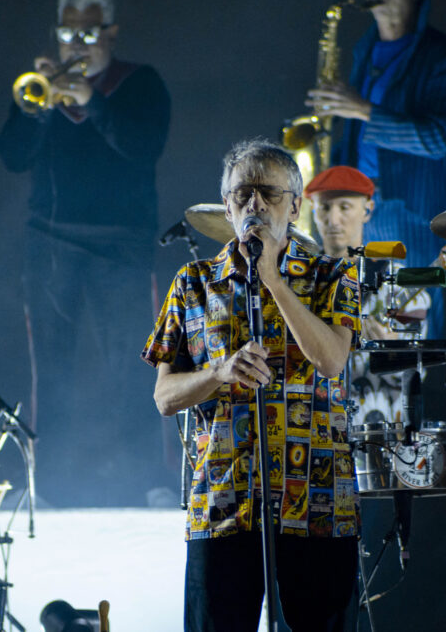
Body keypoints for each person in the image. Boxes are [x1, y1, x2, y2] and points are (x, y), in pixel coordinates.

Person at [143, 140, 361, 631]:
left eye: (268, 192)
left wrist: (274, 281)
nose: (255, 204)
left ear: (295, 205)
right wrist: (219, 373)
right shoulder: (194, 283)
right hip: (223, 501)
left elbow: (330, 360)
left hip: (317, 499)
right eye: (243, 194)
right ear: (227, 206)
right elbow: (164, 397)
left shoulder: (333, 275)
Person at [0, 0, 172, 506]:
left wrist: (92, 102)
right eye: (69, 32)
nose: (77, 43)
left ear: (111, 34)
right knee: (49, 370)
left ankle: (149, 481)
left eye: (89, 32)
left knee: (134, 365)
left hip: (121, 246)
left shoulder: (141, 84)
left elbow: (143, 148)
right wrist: (36, 108)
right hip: (52, 245)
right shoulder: (43, 88)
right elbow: (12, 156)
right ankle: (46, 485)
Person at [306, 0, 446, 338]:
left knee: (405, 339)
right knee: (359, 326)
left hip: (410, 219)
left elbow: (437, 138)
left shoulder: (444, 57)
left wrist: (363, 109)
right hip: (360, 215)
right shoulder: (365, 50)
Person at [305, 165, 429, 425]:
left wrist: (391, 349)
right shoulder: (300, 281)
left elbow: (416, 374)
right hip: (314, 428)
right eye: (325, 208)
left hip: (379, 435)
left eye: (345, 207)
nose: (333, 220)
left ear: (368, 209)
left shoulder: (399, 282)